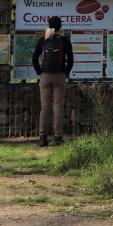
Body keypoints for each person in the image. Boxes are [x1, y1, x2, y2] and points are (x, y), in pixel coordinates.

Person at [31, 16, 74, 147]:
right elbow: (71, 60)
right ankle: (58, 137)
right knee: (58, 107)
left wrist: (40, 72)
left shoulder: (43, 40)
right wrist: (65, 72)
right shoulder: (65, 41)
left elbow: (34, 58)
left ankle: (43, 137)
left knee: (45, 107)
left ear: (49, 26)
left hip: (45, 76)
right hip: (60, 76)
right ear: (60, 27)